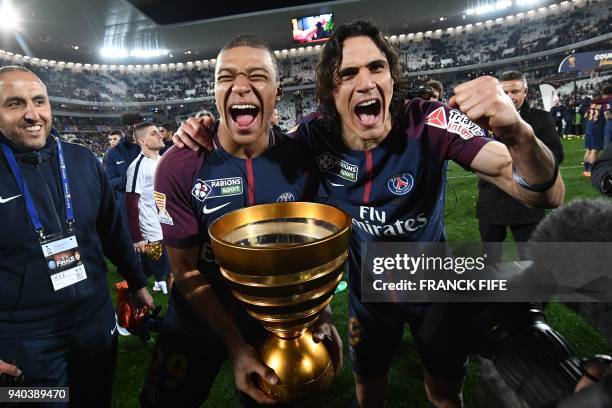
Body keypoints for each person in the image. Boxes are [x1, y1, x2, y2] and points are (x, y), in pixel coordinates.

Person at [174, 20, 563, 408]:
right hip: (370, 299)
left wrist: (518, 134)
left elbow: (544, 193)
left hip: (435, 293)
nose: (364, 82)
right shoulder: (313, 136)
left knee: (445, 395)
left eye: (376, 67)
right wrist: (205, 128)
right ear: (331, 89)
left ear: (392, 76)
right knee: (368, 391)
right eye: (347, 73)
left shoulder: (429, 121)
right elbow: (255, 145)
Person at [140, 35, 342, 407]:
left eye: (257, 76)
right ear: (215, 93)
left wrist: (320, 311)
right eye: (226, 77)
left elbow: (314, 256)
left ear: (277, 93)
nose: (241, 86)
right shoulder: (178, 165)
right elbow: (183, 271)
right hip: (197, 313)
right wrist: (236, 346)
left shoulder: (301, 158)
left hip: (273, 318)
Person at [0, 66, 153, 405]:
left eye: (39, 101)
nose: (32, 114)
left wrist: (138, 281)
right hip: (24, 337)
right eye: (15, 103)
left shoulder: (81, 160)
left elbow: (113, 231)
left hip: (94, 322)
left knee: (95, 400)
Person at [476, 70, 564, 265]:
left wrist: (525, 155)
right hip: (491, 200)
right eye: (504, 91)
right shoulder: (483, 120)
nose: (510, 97)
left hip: (528, 203)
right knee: (489, 263)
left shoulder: (542, 118)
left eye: (515, 91)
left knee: (533, 262)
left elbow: (557, 154)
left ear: (525, 91)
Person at [126, 122, 172, 294]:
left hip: (167, 226)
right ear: (142, 141)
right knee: (170, 273)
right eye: (154, 133)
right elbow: (131, 203)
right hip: (152, 233)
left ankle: (132, 305)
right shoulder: (137, 166)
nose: (160, 135)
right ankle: (175, 313)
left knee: (144, 275)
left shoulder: (162, 160)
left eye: (159, 131)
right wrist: (137, 237)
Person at [583, 87, 609, 176]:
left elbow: (585, 115)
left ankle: (586, 170)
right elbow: (606, 115)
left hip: (589, 128)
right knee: (595, 150)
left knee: (588, 150)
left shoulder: (591, 104)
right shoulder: (604, 105)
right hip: (597, 129)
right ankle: (592, 170)